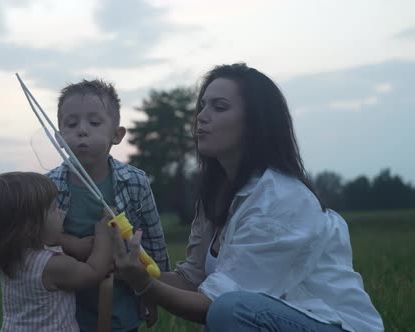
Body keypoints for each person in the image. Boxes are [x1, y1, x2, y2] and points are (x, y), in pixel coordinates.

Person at [111, 63, 384, 331]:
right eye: (202, 106)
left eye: (219, 107)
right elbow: (191, 281)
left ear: (255, 123)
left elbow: (212, 304)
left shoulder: (281, 199)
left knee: (231, 310)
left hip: (331, 324)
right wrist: (128, 269)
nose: (201, 117)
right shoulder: (215, 196)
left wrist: (145, 284)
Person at [47, 79, 170, 331]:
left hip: (121, 303)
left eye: (94, 122)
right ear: (59, 138)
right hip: (66, 311)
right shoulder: (49, 186)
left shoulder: (135, 181)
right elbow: (39, 246)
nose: (82, 130)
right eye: (71, 124)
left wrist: (154, 292)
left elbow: (154, 240)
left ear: (117, 135)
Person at [0, 172, 112, 332]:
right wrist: (104, 233)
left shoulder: (8, 256)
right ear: (31, 226)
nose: (61, 212)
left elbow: (50, 242)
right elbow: (94, 272)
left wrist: (75, 244)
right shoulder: (52, 265)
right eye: (54, 208)